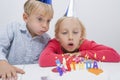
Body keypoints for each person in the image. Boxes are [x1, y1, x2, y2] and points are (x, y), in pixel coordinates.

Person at [0, 0, 53, 80]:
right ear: (26, 17)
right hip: (11, 75)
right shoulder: (13, 28)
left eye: (48, 21)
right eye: (40, 19)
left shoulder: (46, 39)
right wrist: (2, 62)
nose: (45, 25)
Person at [39, 16, 120, 67]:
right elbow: (43, 60)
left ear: (81, 36)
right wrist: (73, 57)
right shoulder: (55, 43)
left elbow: (115, 55)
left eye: (75, 32)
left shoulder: (84, 43)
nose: (70, 37)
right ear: (57, 37)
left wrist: (82, 54)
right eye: (64, 33)